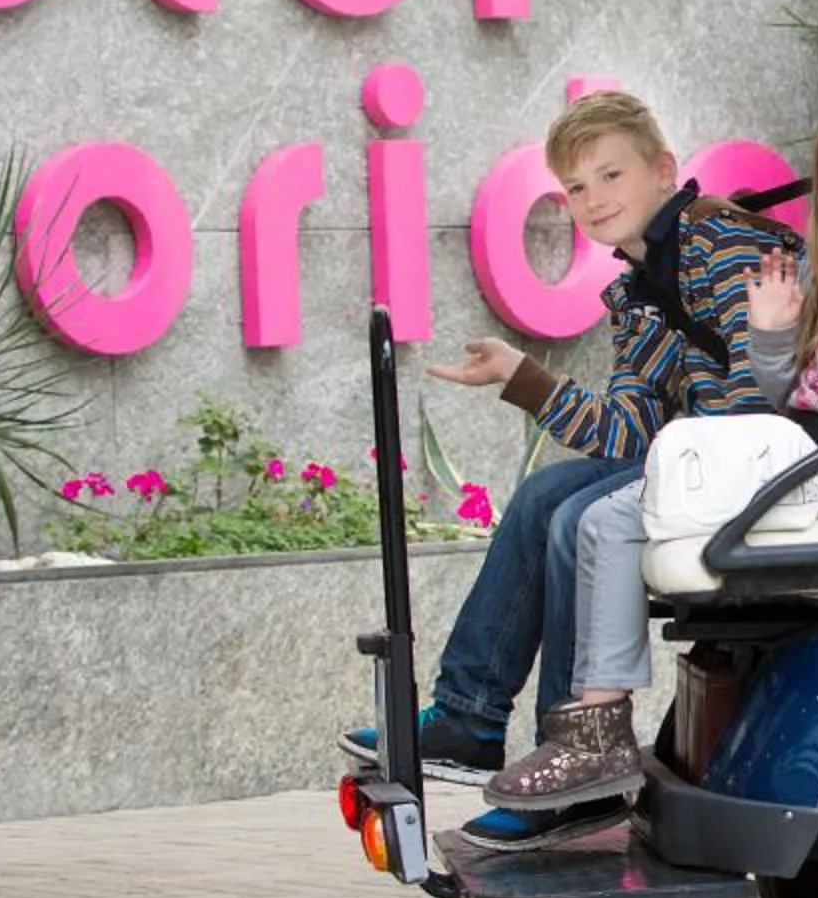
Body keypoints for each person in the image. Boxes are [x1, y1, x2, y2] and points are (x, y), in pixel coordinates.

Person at [338, 90, 791, 856]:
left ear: (662, 171)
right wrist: (525, 377)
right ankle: (471, 719)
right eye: (576, 188)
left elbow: (758, 401)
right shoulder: (635, 297)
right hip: (703, 460)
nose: (592, 200)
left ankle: (573, 760)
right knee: (548, 488)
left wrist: (678, 450)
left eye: (610, 176)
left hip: (757, 465)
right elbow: (625, 431)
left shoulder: (725, 248)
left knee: (578, 518)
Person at [483, 89, 818, 812]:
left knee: (604, 519)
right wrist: (771, 339)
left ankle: (596, 734)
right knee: (584, 511)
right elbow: (779, 392)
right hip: (794, 457)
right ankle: (559, 729)